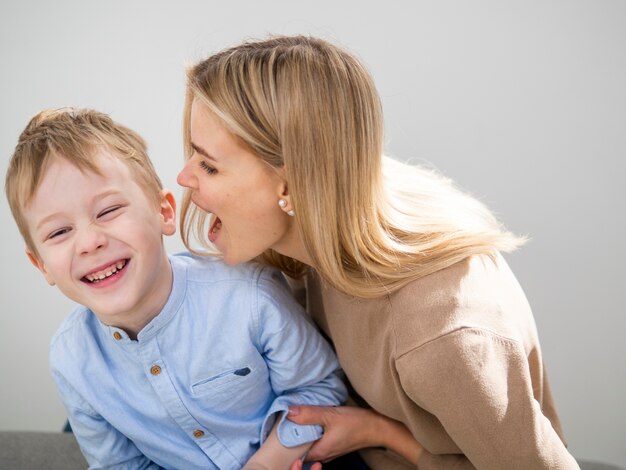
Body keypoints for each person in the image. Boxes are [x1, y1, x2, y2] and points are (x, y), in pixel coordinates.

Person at [176, 35, 581, 469]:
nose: (183, 178)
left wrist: (378, 433)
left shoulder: (442, 338)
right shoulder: (331, 216)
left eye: (209, 165)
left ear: (291, 185)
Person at [4, 107, 347, 470]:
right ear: (41, 265)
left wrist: (266, 463)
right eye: (59, 232)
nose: (89, 243)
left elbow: (320, 388)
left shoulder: (250, 295)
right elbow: (120, 465)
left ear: (164, 213)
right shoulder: (71, 359)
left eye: (108, 211)